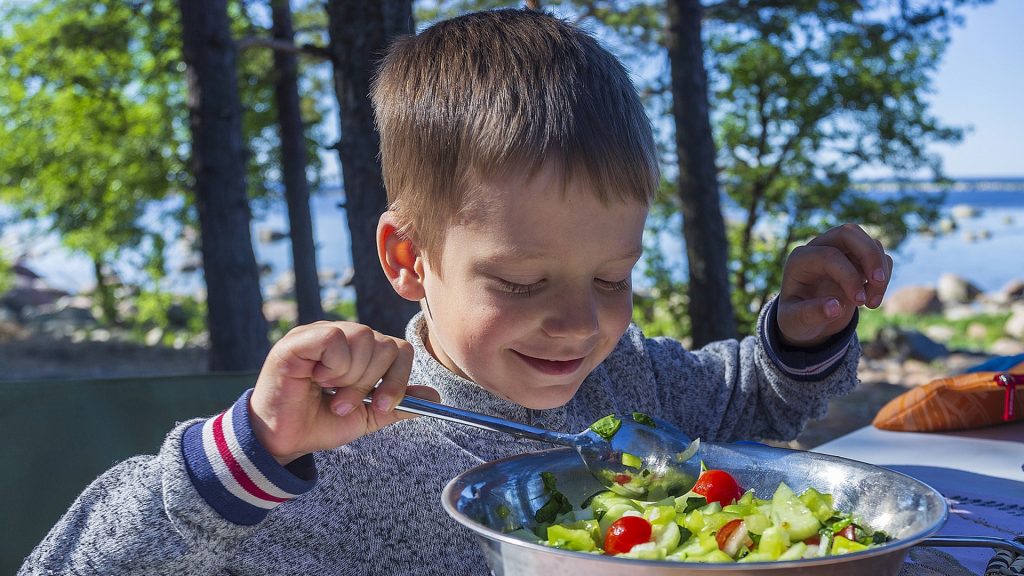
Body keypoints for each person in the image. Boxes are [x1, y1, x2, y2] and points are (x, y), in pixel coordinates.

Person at [19, 8, 892, 576]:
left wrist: (801, 334)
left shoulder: (631, 386)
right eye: (519, 281)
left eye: (613, 278)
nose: (582, 323)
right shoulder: (336, 458)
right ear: (407, 259)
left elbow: (753, 402)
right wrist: (253, 450)